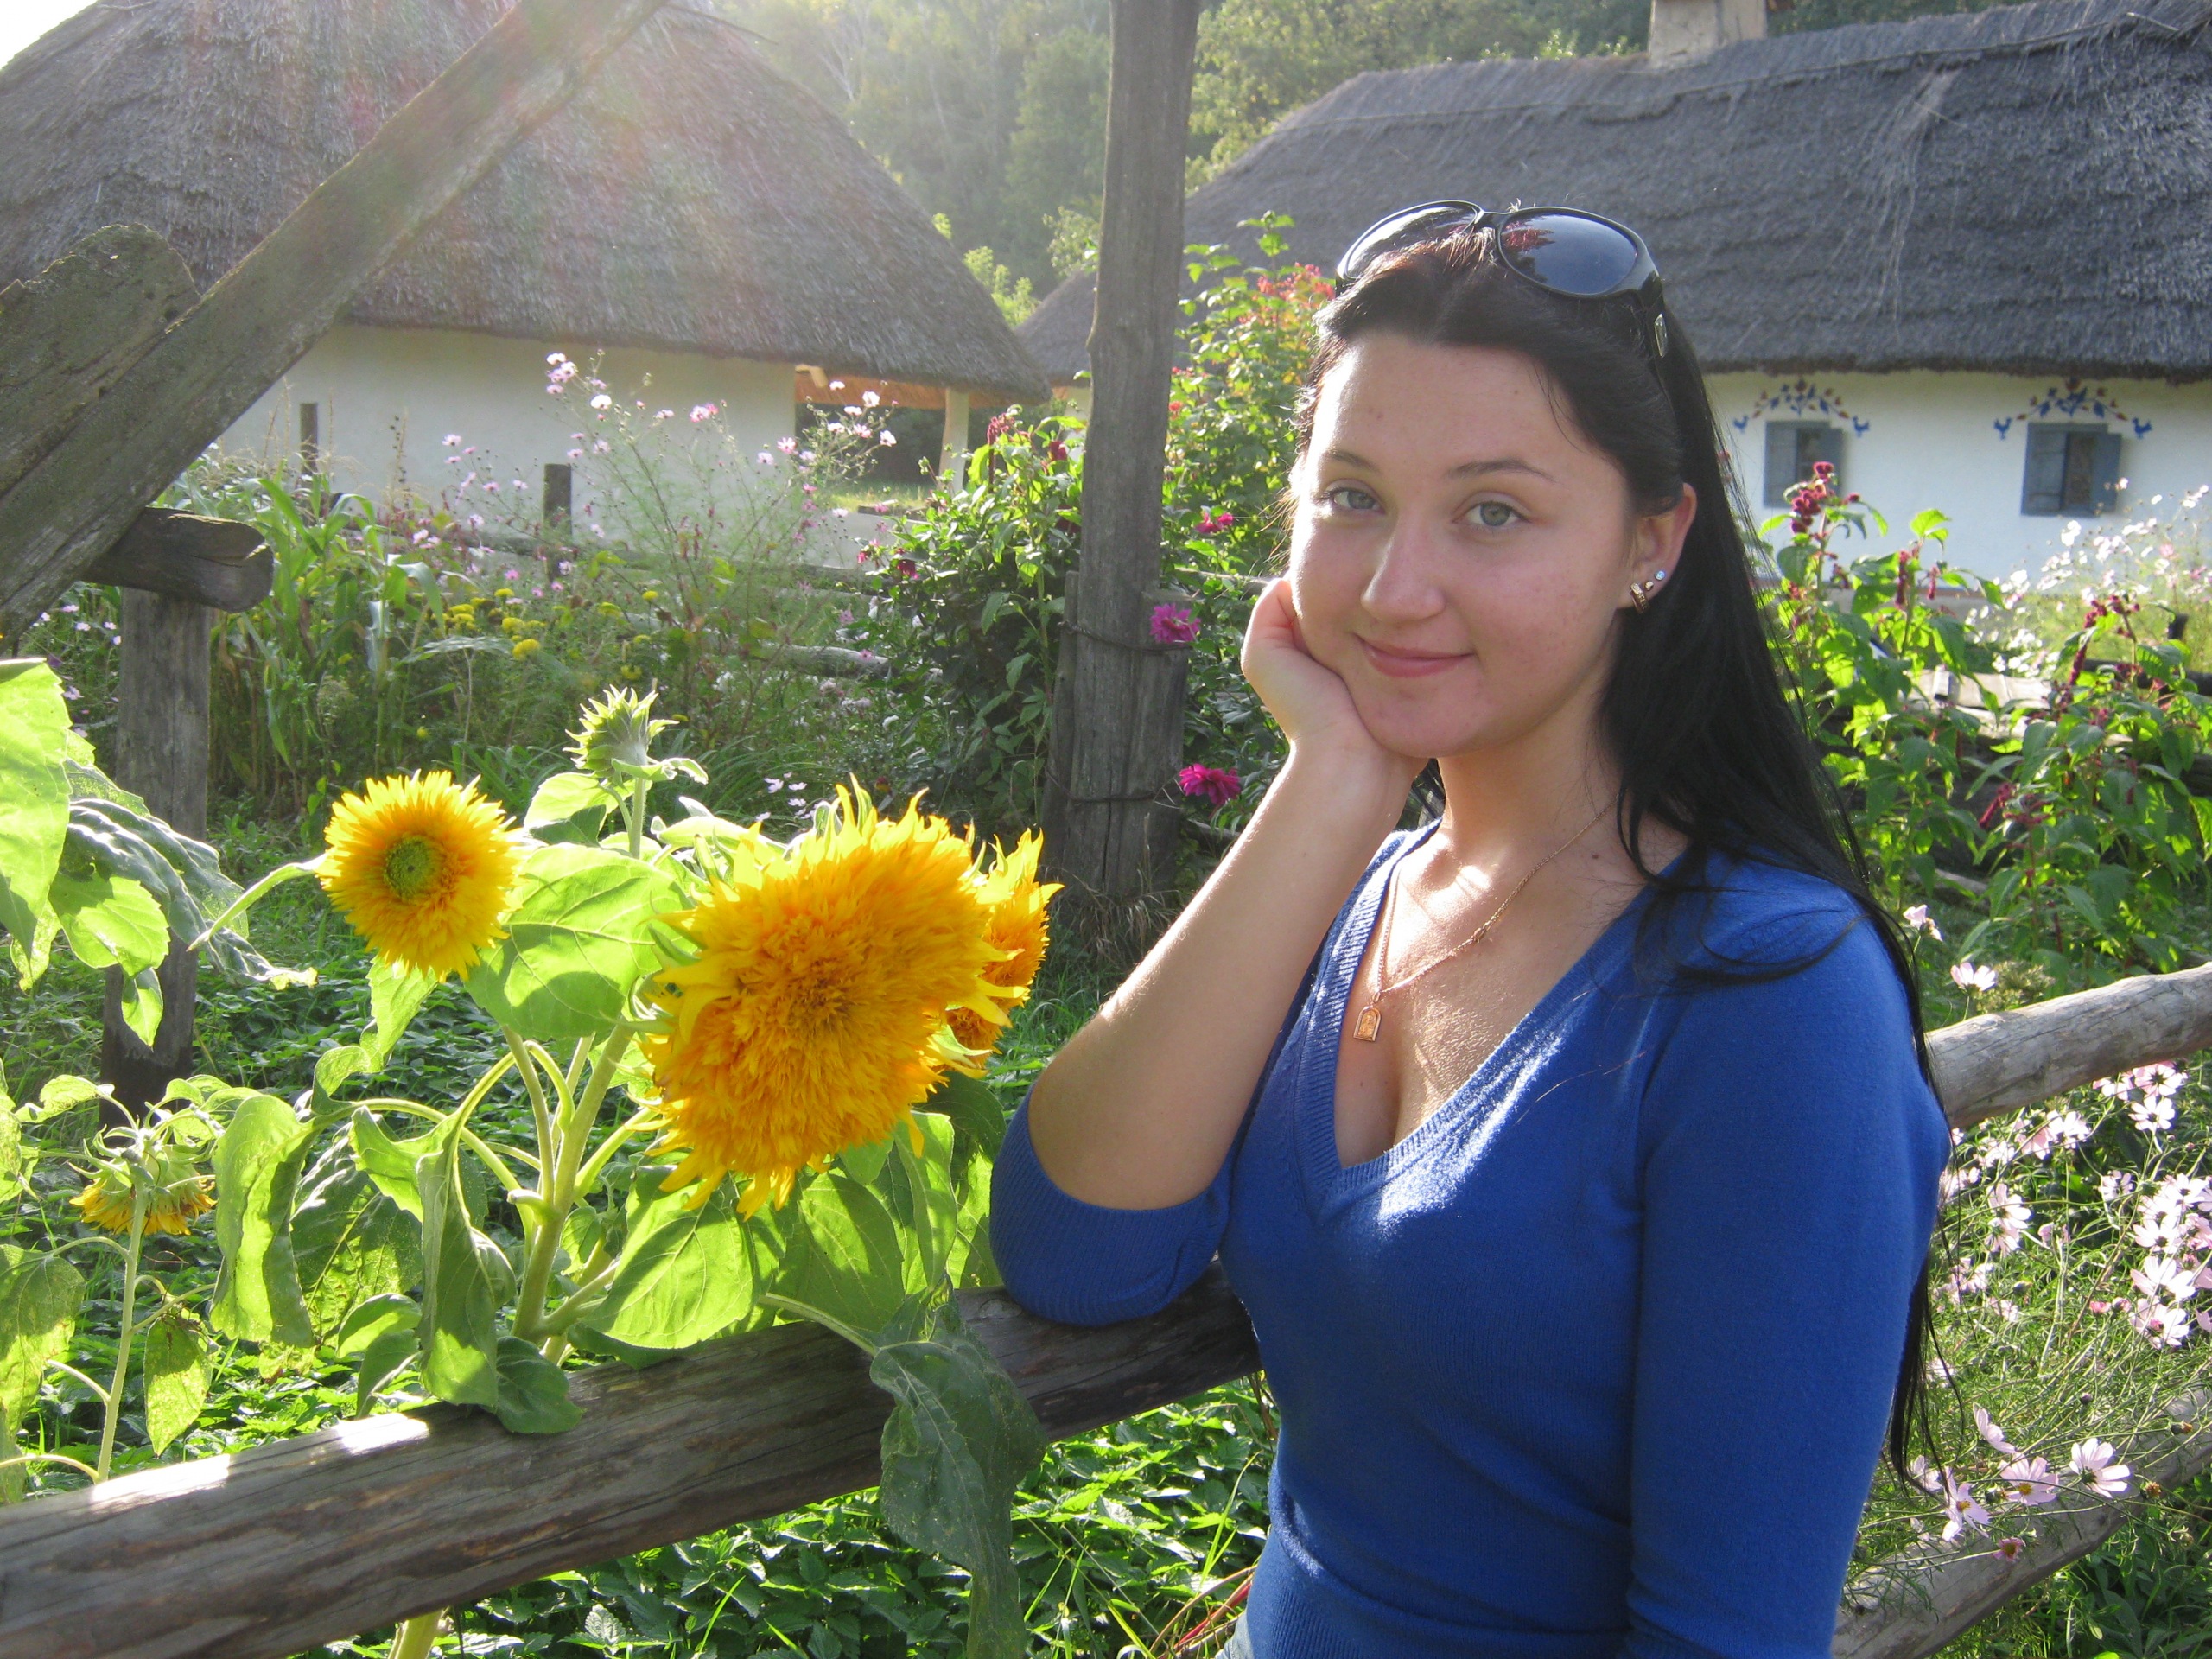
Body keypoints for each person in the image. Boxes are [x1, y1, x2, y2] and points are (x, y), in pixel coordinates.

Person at [990, 204, 1951, 1658]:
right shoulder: (1353, 894)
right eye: (1351, 496)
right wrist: (1332, 785)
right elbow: (1077, 1251)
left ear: (1651, 542)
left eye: (1493, 511)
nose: (1393, 589)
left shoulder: (1767, 992)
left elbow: (1726, 1637)